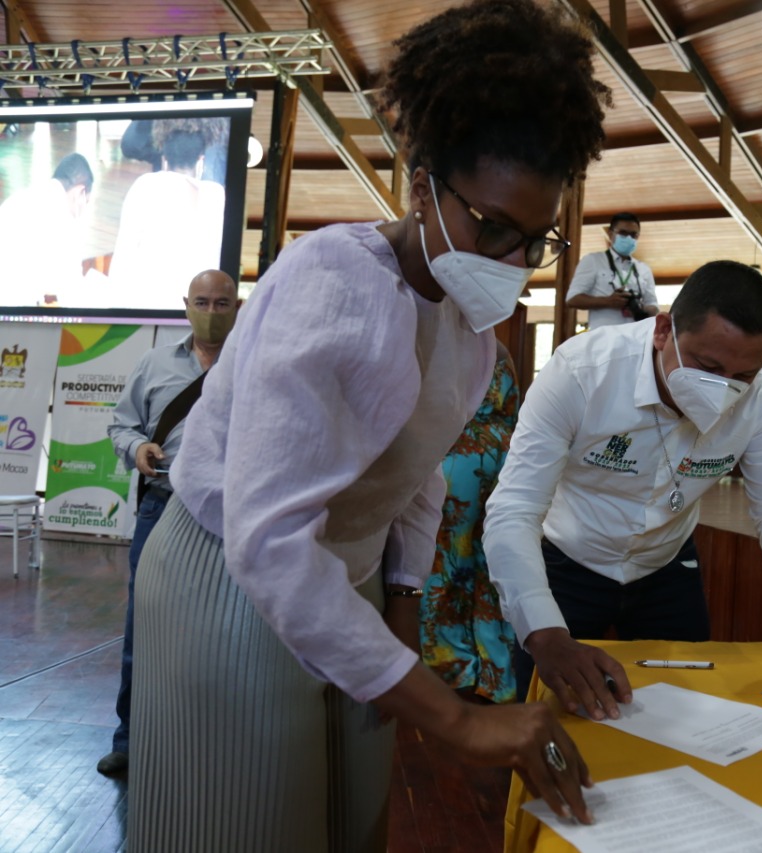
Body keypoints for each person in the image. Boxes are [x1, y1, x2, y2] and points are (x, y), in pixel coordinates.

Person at [127, 1, 610, 848]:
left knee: (353, 818)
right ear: (421, 186)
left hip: (348, 579)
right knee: (254, 824)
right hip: (234, 577)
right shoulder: (333, 283)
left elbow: (413, 469)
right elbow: (269, 538)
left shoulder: (468, 328)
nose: (511, 263)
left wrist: (403, 595)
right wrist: (459, 719)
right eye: (494, 227)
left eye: (534, 243)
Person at [484, 260, 762, 719]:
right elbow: (514, 508)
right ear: (663, 331)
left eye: (742, 377)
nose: (721, 390)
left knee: (686, 719)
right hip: (567, 563)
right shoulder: (581, 372)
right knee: (545, 717)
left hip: (667, 569)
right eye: (707, 366)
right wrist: (544, 633)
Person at [97, 269, 240, 777]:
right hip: (162, 507)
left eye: (221, 303)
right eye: (202, 302)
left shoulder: (257, 363)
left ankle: (212, 746)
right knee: (144, 624)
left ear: (237, 307)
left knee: (228, 630)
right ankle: (130, 740)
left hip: (230, 516)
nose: (211, 312)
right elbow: (121, 424)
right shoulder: (154, 363)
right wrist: (138, 447)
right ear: (186, 305)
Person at [419, 344, 521, 704]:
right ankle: (497, 669)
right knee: (492, 561)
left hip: (455, 453)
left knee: (449, 561)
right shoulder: (499, 350)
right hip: (505, 453)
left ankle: (452, 664)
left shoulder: (442, 344)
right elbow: (513, 405)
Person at [109, 118, 226, 309]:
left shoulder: (144, 185)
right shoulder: (217, 195)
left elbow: (121, 261)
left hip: (138, 308)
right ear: (201, 162)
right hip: (196, 314)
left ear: (164, 160)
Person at [0, 152, 95, 307]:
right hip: (16, 312)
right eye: (86, 201)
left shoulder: (16, 199)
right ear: (80, 192)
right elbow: (71, 291)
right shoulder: (64, 220)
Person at [565, 212, 658, 329]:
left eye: (633, 235)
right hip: (604, 336)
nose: (629, 238)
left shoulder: (644, 269)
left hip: (635, 334)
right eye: (623, 233)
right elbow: (572, 299)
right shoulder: (593, 260)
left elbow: (653, 304)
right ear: (610, 234)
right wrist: (608, 301)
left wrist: (640, 308)